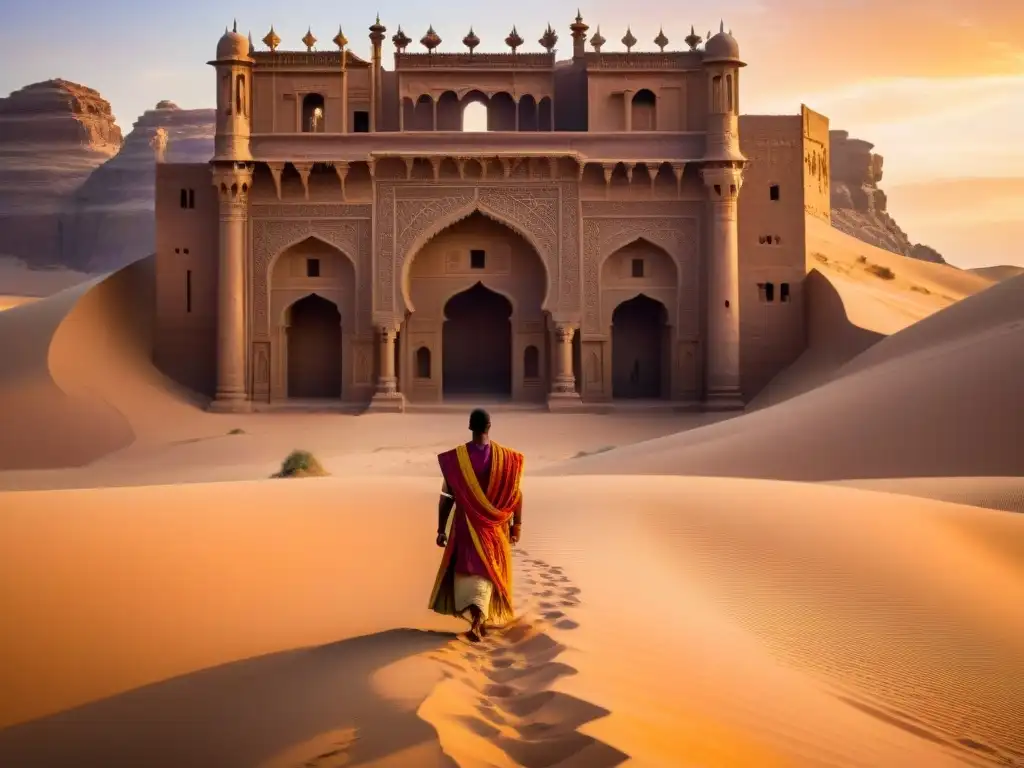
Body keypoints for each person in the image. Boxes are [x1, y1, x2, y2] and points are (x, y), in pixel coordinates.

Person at [428, 408, 524, 640]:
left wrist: (441, 529)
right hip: (494, 530)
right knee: (487, 572)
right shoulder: (506, 459)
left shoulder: (457, 460)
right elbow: (517, 495)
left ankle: (476, 621)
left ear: (470, 427)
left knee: (469, 573)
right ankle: (479, 621)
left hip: (466, 528)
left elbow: (447, 498)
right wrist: (516, 526)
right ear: (489, 426)